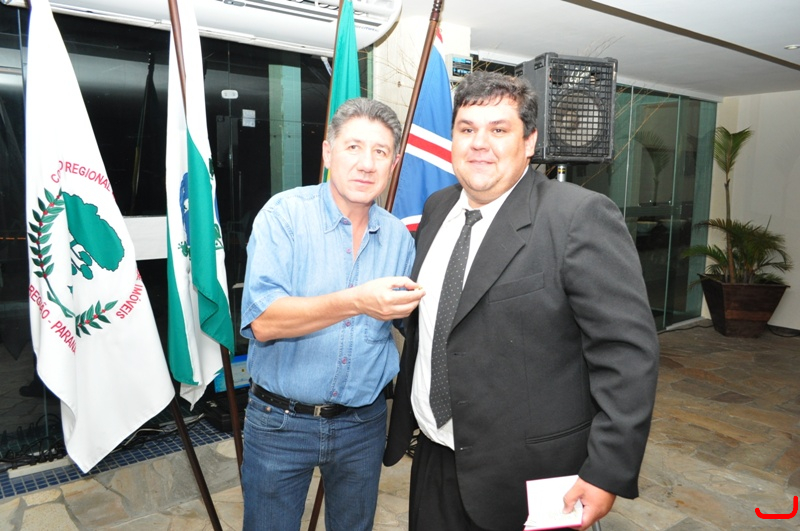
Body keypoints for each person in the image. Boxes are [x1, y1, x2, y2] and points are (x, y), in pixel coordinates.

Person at [384, 71, 660, 531]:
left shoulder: (578, 217)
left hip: (528, 474)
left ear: (529, 141)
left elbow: (627, 356)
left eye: (499, 129)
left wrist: (606, 469)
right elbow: (441, 321)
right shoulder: (436, 208)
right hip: (433, 453)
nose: (479, 143)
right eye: (467, 129)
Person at [239, 97, 425, 531]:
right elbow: (264, 322)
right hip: (280, 423)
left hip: (363, 424)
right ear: (328, 152)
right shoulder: (284, 216)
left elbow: (412, 323)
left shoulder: (399, 238)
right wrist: (356, 301)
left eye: (380, 152)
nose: (366, 164)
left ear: (394, 163)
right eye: (353, 147)